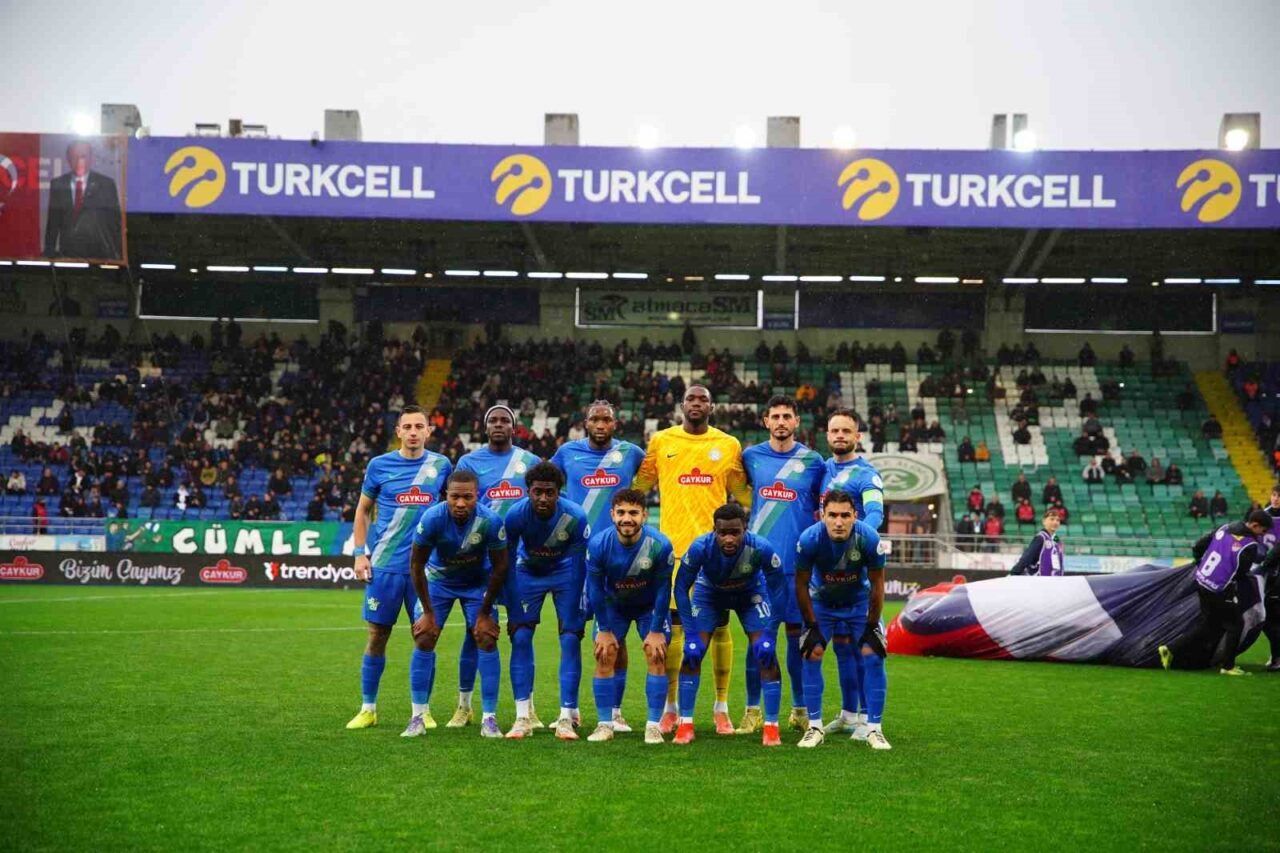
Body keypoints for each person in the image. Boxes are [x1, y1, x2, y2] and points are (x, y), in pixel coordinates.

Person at [633, 384, 750, 735]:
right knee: (675, 630)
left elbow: (743, 493)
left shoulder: (728, 444)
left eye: (703, 399)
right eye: (691, 399)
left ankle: (721, 707)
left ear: (712, 407)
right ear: (681, 405)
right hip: (674, 552)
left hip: (717, 553)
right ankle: (671, 708)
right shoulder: (662, 441)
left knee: (719, 628)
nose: (696, 403)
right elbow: (638, 486)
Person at [344, 406, 453, 735]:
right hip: (386, 566)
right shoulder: (379, 465)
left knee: (426, 637)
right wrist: (360, 554)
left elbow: (453, 509)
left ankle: (422, 711)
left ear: (429, 431)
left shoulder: (442, 466)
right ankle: (368, 709)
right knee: (377, 635)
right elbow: (362, 511)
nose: (413, 432)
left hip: (427, 569)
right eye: (407, 426)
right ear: (398, 431)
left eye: (419, 426)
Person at [549, 400, 646, 731]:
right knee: (570, 634)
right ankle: (568, 711)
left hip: (618, 560)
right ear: (585, 423)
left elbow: (650, 479)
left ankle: (615, 712)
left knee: (615, 636)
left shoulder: (630, 453)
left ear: (615, 424)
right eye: (595, 419)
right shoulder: (567, 453)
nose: (601, 424)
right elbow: (546, 485)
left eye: (607, 419)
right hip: (575, 559)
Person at [737, 395, 825, 735]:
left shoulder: (813, 462)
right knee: (758, 639)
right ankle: (752, 710)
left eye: (787, 416)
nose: (781, 422)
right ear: (766, 421)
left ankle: (799, 709)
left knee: (796, 638)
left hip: (798, 567)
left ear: (797, 421)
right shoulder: (751, 457)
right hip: (759, 566)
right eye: (775, 416)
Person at [454, 405, 543, 727]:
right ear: (485, 426)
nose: (499, 424)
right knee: (474, 632)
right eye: (493, 420)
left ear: (514, 427)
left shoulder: (530, 462)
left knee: (522, 634)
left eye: (505, 420)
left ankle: (528, 709)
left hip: (520, 562)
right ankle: (464, 706)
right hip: (480, 563)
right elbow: (458, 506)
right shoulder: (468, 463)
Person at [405, 469, 510, 737]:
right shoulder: (432, 518)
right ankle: (417, 717)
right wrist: (428, 613)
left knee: (486, 637)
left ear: (477, 496)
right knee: (424, 636)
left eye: (467, 497)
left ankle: (489, 718)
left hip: (476, 583)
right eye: (454, 497)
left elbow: (500, 567)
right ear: (446, 496)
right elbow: (416, 565)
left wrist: (485, 613)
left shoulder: (490, 521)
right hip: (439, 581)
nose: (460, 503)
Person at [671, 504, 787, 747]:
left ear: (746, 528)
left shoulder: (761, 548)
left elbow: (779, 590)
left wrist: (771, 632)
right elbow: (680, 587)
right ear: (714, 530)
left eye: (735, 532)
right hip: (710, 594)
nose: (729, 538)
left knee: (765, 651)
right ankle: (685, 725)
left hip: (750, 594)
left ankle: (772, 728)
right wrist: (690, 633)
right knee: (692, 652)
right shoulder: (700, 547)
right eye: (722, 533)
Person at [794, 490, 889, 750]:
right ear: (822, 516)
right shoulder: (809, 539)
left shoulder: (869, 538)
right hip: (822, 604)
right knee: (812, 652)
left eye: (845, 516)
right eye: (832, 515)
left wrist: (872, 625)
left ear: (855, 516)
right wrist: (811, 625)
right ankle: (814, 727)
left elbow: (878, 584)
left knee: (873, 654)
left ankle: (874, 729)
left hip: (859, 604)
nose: (838, 522)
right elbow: (800, 584)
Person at [502, 463, 591, 740]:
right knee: (520, 636)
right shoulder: (515, 515)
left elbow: (579, 567)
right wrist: (511, 602)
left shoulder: (575, 516)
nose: (543, 498)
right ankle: (522, 717)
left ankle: (566, 717)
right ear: (528, 491)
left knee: (570, 638)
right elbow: (506, 562)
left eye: (549, 492)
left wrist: (575, 608)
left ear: (558, 492)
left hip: (565, 573)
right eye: (537, 492)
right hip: (528, 572)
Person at [583, 489, 675, 743]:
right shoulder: (599, 545)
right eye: (621, 512)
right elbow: (594, 589)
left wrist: (656, 631)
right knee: (604, 654)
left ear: (644, 515)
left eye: (633, 513)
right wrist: (604, 629)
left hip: (648, 607)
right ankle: (605, 724)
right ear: (612, 514)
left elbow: (664, 589)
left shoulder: (660, 545)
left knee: (656, 654)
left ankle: (653, 726)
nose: (627, 518)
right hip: (614, 606)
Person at [820, 409, 888, 734]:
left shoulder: (867, 474)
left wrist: (851, 541)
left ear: (857, 436)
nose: (840, 436)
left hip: (857, 568)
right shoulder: (824, 469)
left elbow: (875, 513)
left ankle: (867, 718)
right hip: (828, 570)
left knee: (865, 644)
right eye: (835, 430)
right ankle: (849, 714)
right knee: (842, 644)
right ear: (827, 434)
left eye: (846, 431)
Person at [1159, 510, 1272, 675]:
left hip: (1202, 581)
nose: (1263, 535)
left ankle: (1169, 648)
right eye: (1263, 530)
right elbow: (1241, 573)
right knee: (1236, 625)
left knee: (1209, 625)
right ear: (1255, 525)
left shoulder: (1224, 528)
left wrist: (1199, 561)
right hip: (1219, 588)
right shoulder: (1250, 545)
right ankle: (1228, 667)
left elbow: (1198, 545)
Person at [43, 140, 123, 259]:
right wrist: (49, 256)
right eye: (74, 156)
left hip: (99, 256)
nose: (79, 161)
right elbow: (52, 225)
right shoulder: (58, 184)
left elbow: (115, 225)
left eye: (83, 156)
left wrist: (117, 258)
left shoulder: (106, 185)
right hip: (68, 256)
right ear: (68, 159)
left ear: (91, 158)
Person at [1009, 510, 1064, 575]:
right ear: (1044, 521)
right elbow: (1027, 556)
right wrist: (1014, 572)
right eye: (1052, 519)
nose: (1055, 522)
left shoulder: (1057, 540)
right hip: (1041, 578)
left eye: (1058, 520)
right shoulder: (1041, 537)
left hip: (1055, 578)